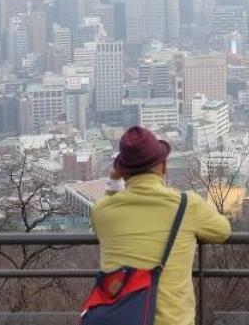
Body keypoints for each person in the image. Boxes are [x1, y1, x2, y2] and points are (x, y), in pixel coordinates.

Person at [90, 126, 232, 325]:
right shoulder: (187, 205)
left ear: (122, 172)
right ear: (163, 166)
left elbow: (104, 207)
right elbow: (223, 231)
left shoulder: (102, 211)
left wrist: (114, 180)